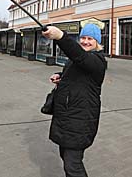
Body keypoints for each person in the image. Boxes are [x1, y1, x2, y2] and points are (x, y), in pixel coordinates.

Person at [43, 23, 107, 177]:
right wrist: (61, 76)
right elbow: (77, 71)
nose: (85, 41)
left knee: (73, 165)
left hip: (80, 120)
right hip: (67, 117)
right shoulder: (78, 60)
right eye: (83, 38)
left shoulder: (98, 61)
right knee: (65, 157)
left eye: (90, 39)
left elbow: (80, 57)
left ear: (97, 42)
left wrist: (60, 36)